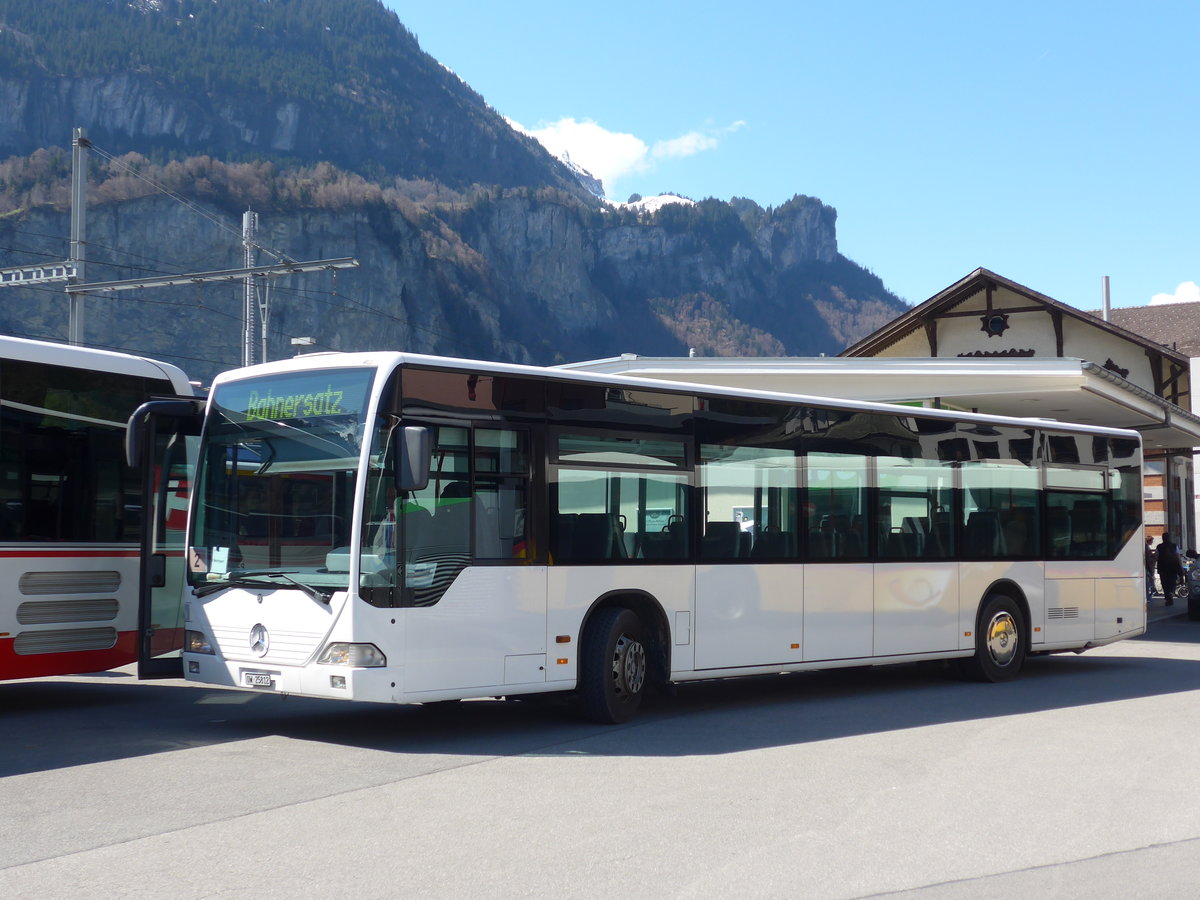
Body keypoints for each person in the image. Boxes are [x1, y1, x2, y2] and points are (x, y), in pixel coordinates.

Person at [1157, 533, 1185, 606]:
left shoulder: (1159, 547)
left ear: (1163, 538)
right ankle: (1170, 593)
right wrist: (1180, 569)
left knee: (1164, 583)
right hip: (1173, 568)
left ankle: (1168, 596)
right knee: (1172, 582)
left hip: (1162, 568)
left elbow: (1156, 557)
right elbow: (1178, 558)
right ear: (1169, 538)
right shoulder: (1174, 546)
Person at [1145, 535, 1158, 599]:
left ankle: (1153, 590)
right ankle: (1152, 591)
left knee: (1151, 580)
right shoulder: (1146, 547)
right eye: (1152, 541)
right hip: (1148, 567)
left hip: (1148, 567)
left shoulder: (1146, 547)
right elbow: (1149, 559)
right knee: (1151, 580)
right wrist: (1155, 555)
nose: (1152, 542)